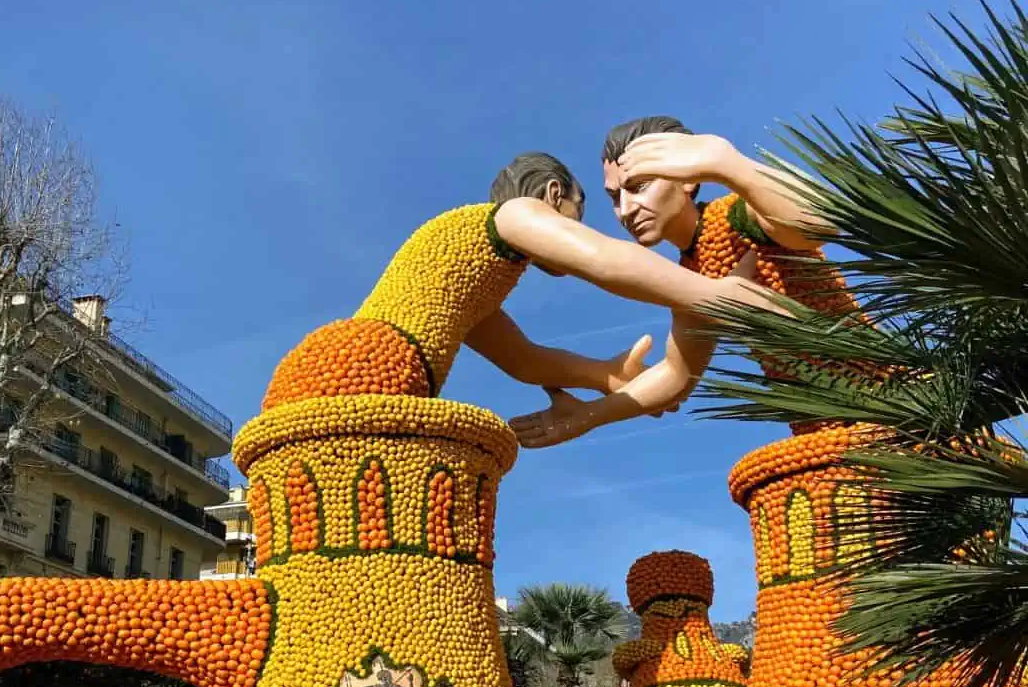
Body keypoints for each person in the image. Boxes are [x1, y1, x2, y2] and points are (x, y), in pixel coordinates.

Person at [266, 150, 788, 447]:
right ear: (554, 196)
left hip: (329, 370)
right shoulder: (514, 216)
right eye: (582, 210)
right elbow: (605, 261)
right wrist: (717, 296)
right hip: (369, 367)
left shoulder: (466, 275)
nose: (585, 225)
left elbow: (525, 360)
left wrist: (608, 376)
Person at [507, 120, 851, 449]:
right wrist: (588, 415)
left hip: (877, 394)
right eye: (614, 198)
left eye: (638, 187)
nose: (625, 210)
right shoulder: (691, 271)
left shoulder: (736, 216)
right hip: (821, 428)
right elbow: (676, 374)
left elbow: (817, 224)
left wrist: (728, 163)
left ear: (687, 179)